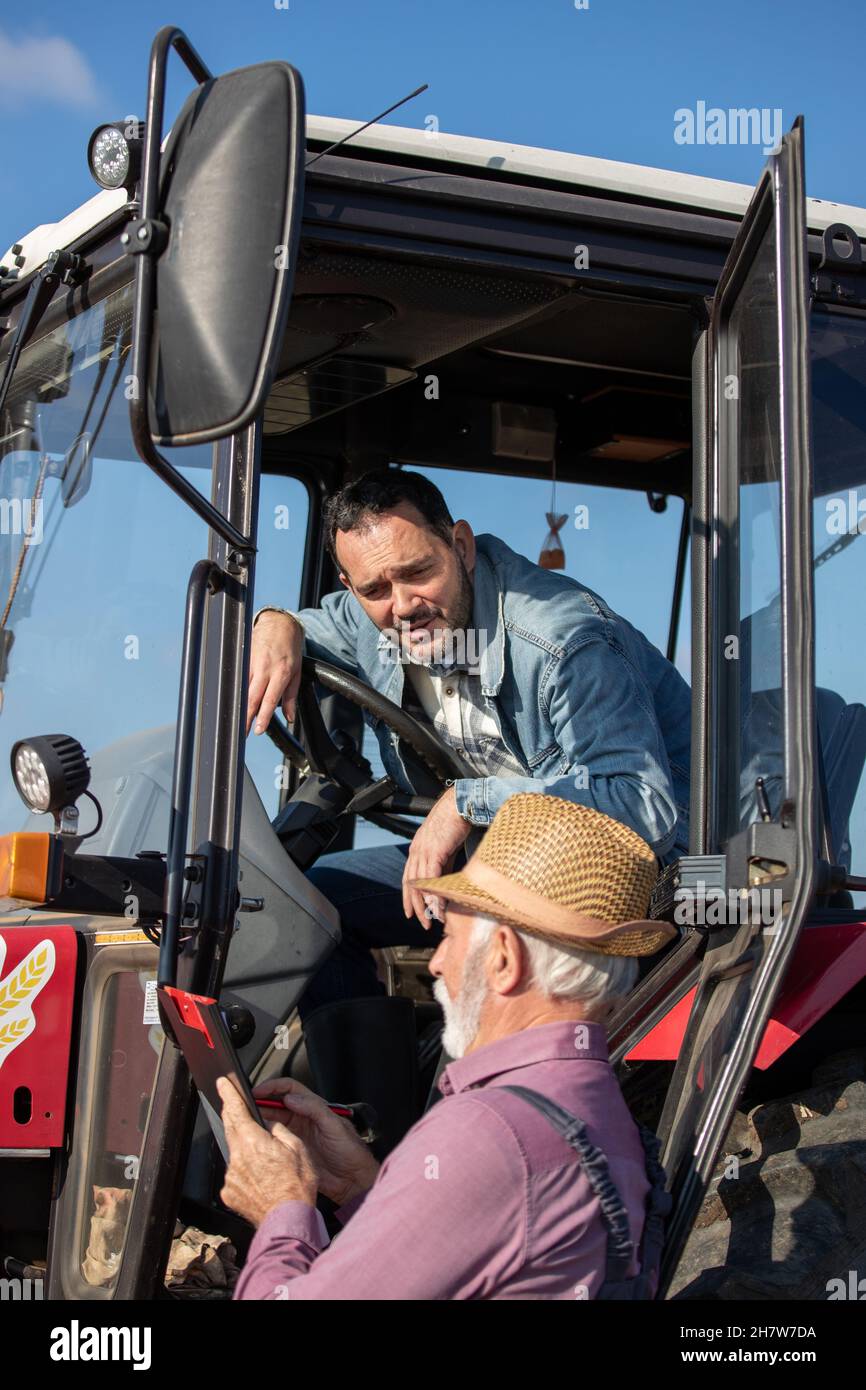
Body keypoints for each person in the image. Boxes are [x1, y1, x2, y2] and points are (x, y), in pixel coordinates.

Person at [247, 467, 690, 1019]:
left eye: (419, 573)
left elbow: (643, 804)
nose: (403, 605)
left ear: (460, 546)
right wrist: (273, 622)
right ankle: (359, 1105)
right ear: (351, 586)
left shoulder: (566, 642)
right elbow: (312, 624)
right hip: (491, 859)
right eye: (375, 590)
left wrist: (465, 803)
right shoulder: (374, 615)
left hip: (619, 882)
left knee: (476, 983)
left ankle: (462, 1095)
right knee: (305, 910)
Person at [220, 794, 675, 1300]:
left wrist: (281, 1210)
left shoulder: (484, 1132)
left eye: (450, 938)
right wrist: (364, 1188)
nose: (435, 964)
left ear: (503, 960)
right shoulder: (607, 1119)